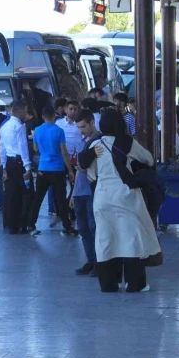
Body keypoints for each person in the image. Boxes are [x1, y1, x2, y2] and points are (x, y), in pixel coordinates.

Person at [80, 108, 160, 293]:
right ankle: (135, 284)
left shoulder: (95, 145)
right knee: (131, 238)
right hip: (126, 196)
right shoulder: (127, 142)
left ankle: (109, 284)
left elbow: (90, 172)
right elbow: (148, 159)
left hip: (102, 197)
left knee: (106, 239)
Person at [27, 104, 76, 236]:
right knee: (60, 200)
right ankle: (67, 227)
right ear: (54, 116)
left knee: (38, 198)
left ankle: (31, 225)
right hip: (58, 169)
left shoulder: (37, 130)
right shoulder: (59, 131)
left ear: (43, 117)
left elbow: (36, 149)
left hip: (43, 168)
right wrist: (70, 170)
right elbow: (64, 152)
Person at [73, 109, 101, 274]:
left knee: (94, 227)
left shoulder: (100, 141)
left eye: (83, 126)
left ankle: (99, 261)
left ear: (92, 122)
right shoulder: (83, 142)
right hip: (80, 190)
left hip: (93, 190)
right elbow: (79, 168)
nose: (80, 130)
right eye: (78, 127)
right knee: (83, 228)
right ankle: (91, 260)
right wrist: (74, 191)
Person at [0, 101, 32, 234]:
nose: (26, 114)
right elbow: (22, 146)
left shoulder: (4, 126)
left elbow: (1, 147)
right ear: (19, 111)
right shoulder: (19, 126)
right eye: (25, 111)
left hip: (9, 162)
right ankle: (22, 223)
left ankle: (10, 223)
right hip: (19, 163)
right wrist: (28, 167)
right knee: (25, 194)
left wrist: (3, 166)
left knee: (10, 194)